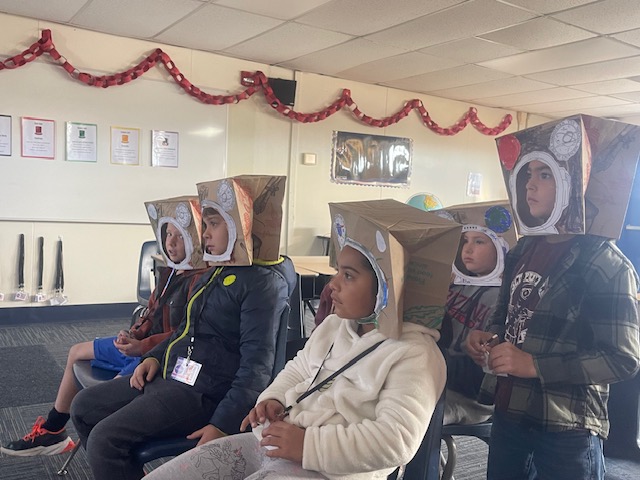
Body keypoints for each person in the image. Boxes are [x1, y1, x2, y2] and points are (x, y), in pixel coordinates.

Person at [144, 200, 449, 480]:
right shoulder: (335, 326)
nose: (332, 285)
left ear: (388, 287)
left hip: (332, 471)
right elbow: (299, 369)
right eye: (337, 272)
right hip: (278, 443)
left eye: (349, 276)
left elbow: (396, 441)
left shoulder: (415, 354)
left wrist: (308, 445)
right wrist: (273, 399)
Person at [69, 175, 296, 480]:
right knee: (83, 405)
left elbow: (258, 366)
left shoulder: (263, 283)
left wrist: (223, 424)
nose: (204, 234)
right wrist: (155, 357)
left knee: (104, 440)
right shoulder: (217, 269)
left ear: (243, 226)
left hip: (206, 393)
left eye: (213, 225)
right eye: (205, 225)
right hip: (176, 374)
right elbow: (185, 330)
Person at [466, 117, 640, 480]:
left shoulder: (607, 265)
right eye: (528, 174)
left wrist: (536, 365)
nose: (530, 185)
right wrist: (489, 338)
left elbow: (623, 359)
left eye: (545, 175)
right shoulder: (523, 249)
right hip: (509, 410)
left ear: (575, 182)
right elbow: (507, 315)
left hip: (565, 426)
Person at [1, 215, 205, 457]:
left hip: (157, 355)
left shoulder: (200, 280)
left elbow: (183, 334)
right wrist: (132, 333)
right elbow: (151, 312)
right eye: (169, 234)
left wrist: (141, 346)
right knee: (76, 352)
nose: (171, 242)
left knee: (107, 396)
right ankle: (53, 430)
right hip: (139, 344)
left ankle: (106, 452)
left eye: (180, 236)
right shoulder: (169, 272)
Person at [440, 228, 500, 426]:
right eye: (466, 241)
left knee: (409, 413)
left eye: (479, 242)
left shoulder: (502, 300)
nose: (468, 249)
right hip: (439, 375)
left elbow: (481, 378)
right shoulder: (455, 283)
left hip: (467, 396)